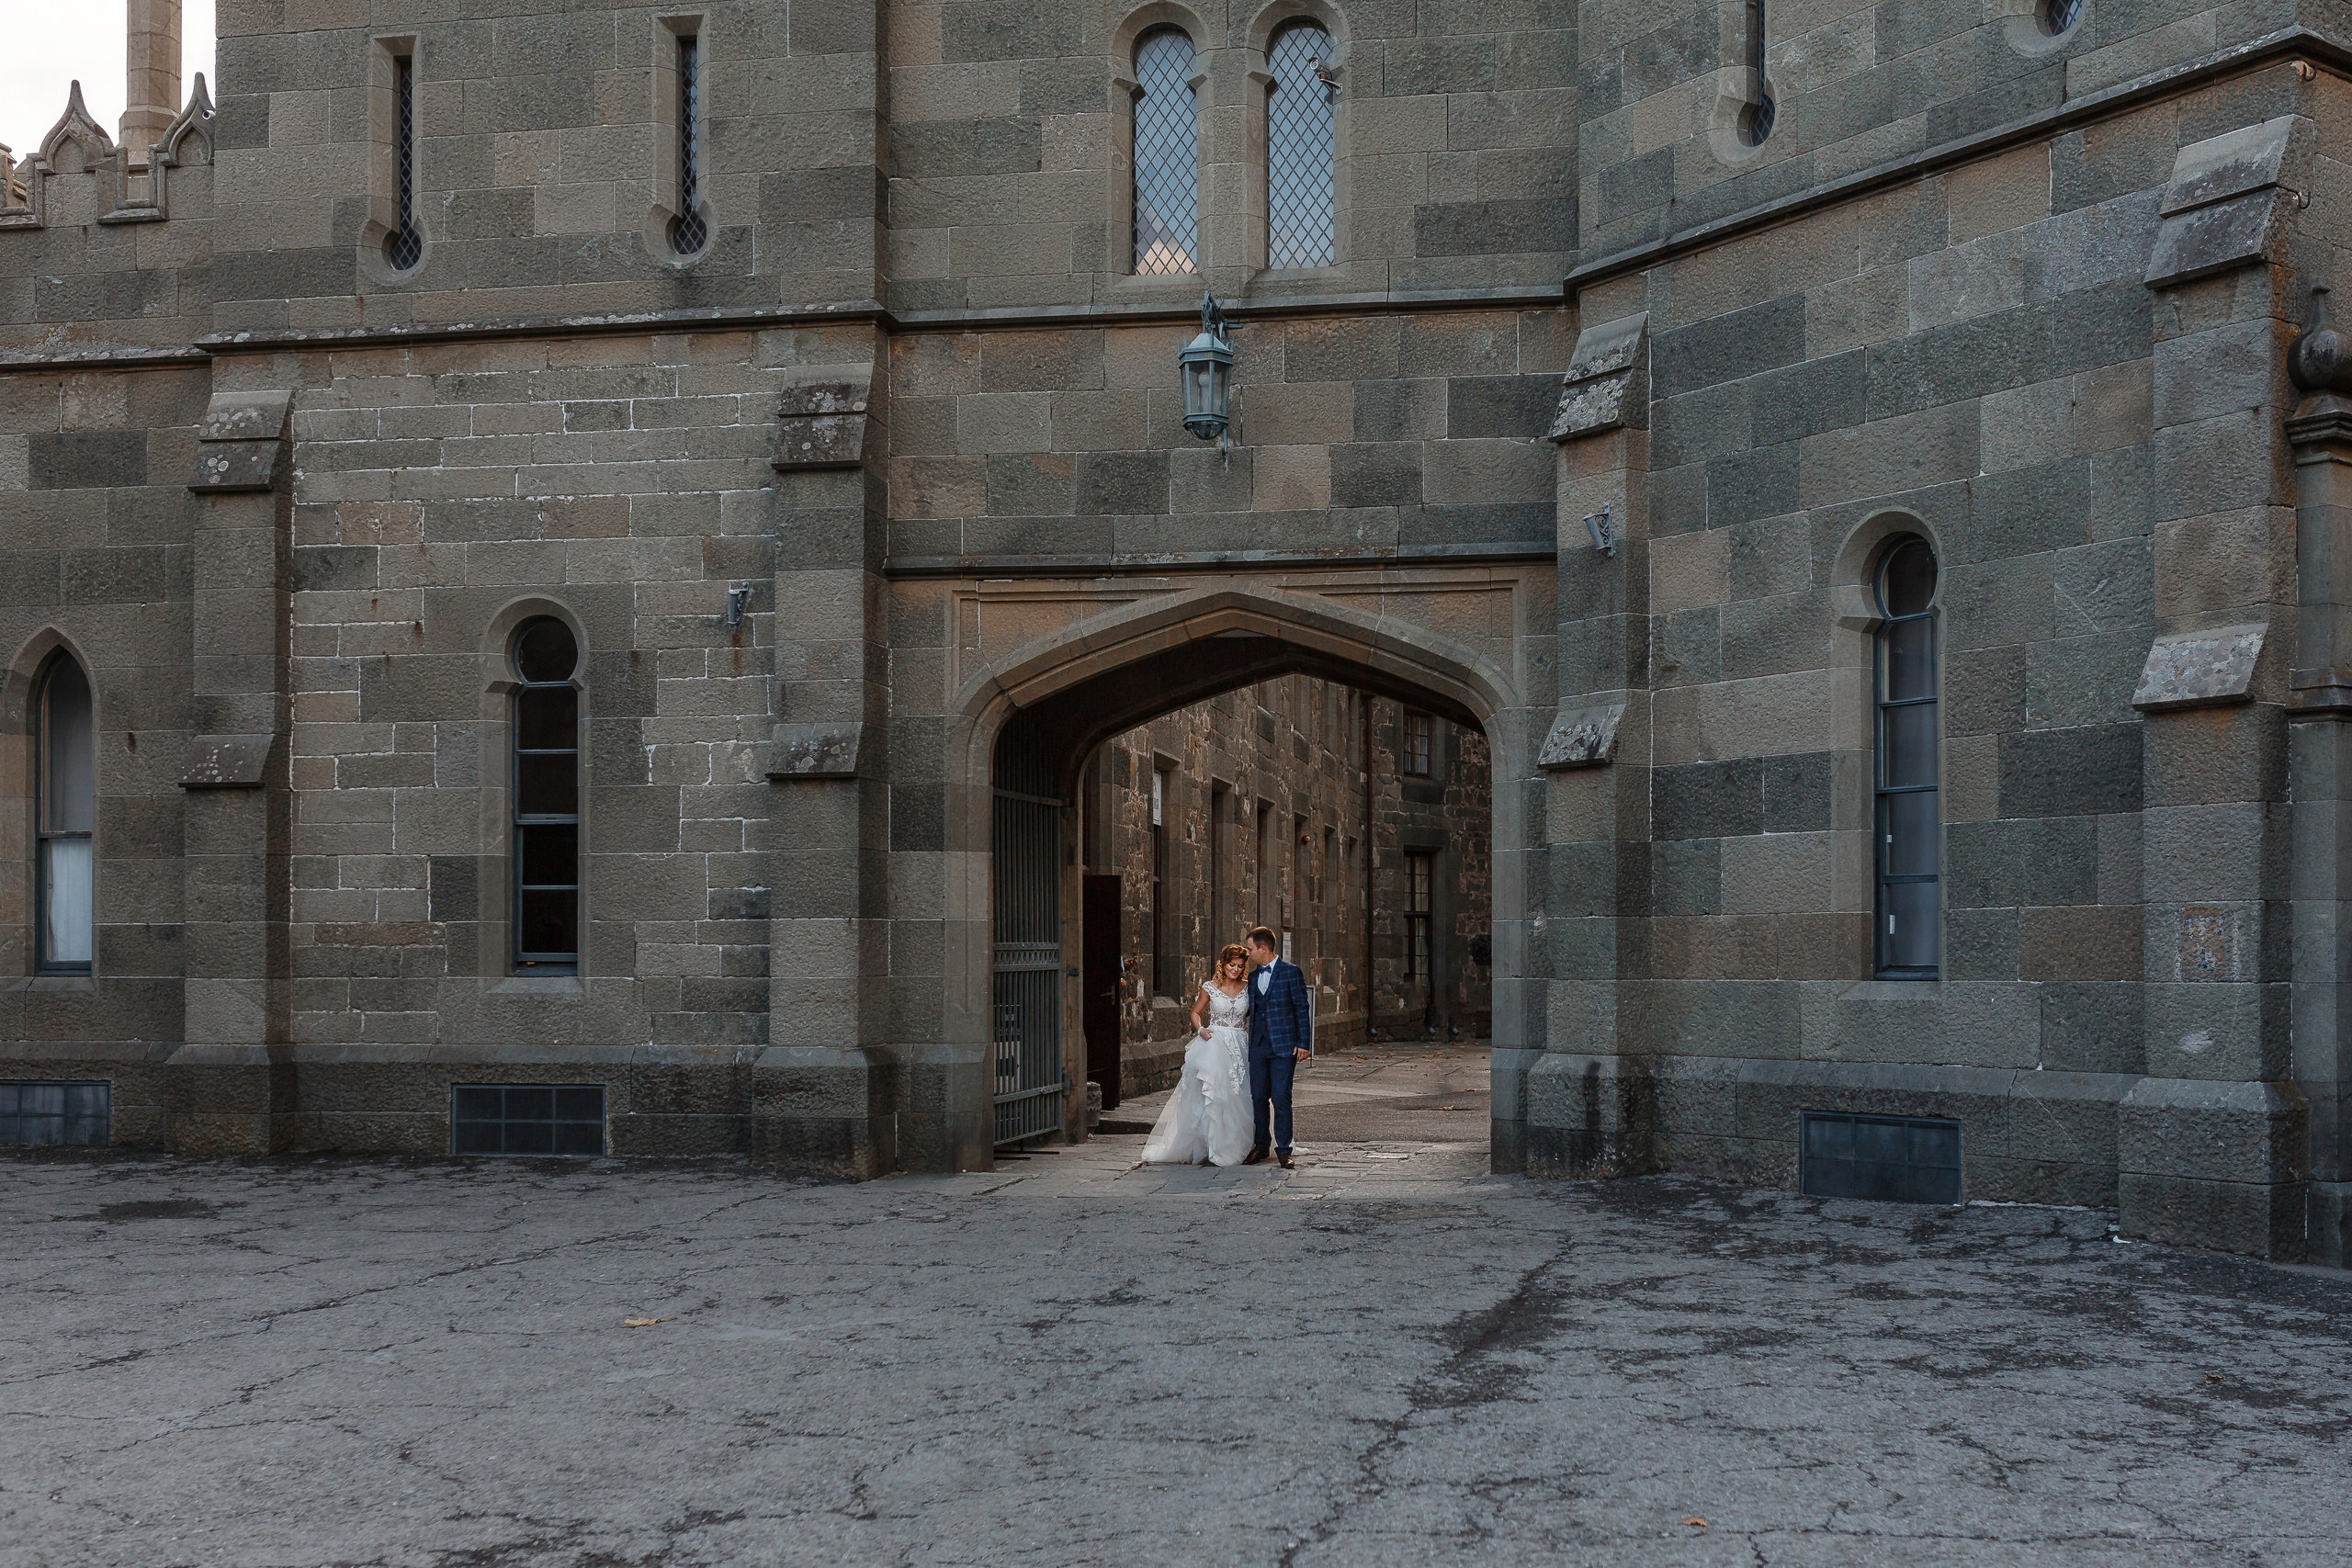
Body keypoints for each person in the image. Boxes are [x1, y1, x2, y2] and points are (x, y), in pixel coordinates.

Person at [1139, 943, 1255, 1167]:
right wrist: (1200, 1029)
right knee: (1213, 1094)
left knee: (1238, 1094)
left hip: (1240, 1044)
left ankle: (1236, 1144)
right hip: (1214, 1042)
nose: (1235, 970)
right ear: (1223, 963)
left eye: (1240, 966)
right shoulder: (1210, 987)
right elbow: (1195, 1012)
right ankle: (1210, 1146)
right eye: (1232, 965)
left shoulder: (1248, 987)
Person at [1241, 925, 1311, 1168]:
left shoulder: (1291, 972)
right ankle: (1261, 1146)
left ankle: (1283, 1150)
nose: (1247, 953)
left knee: (1281, 1096)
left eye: (1250, 949)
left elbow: (1301, 1008)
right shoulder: (1252, 978)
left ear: (1263, 948)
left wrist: (1303, 1042)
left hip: (1284, 1046)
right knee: (1258, 1097)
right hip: (1258, 1046)